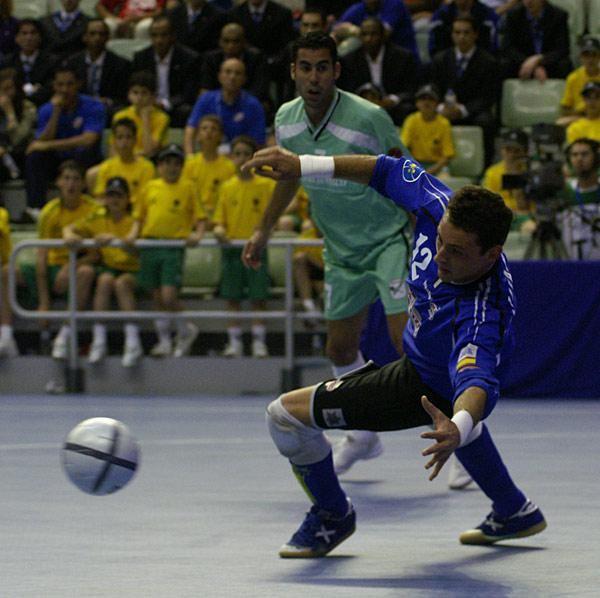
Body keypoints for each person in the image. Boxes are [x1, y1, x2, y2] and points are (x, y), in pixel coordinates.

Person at [243, 145, 547, 556]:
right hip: (426, 363)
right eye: (441, 241)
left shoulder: (480, 313)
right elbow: (385, 170)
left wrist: (457, 424)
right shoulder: (439, 204)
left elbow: (477, 380)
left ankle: (333, 516)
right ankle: (514, 510)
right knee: (459, 426)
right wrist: (302, 165)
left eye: (456, 251)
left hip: (422, 385)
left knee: (283, 417)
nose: (440, 256)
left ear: (491, 254)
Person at [242, 32, 411, 475]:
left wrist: (427, 241)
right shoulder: (287, 118)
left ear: (336, 71)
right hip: (339, 249)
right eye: (305, 67)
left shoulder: (369, 118)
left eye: (322, 67)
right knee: (339, 346)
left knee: (408, 344)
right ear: (293, 71)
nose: (313, 77)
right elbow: (288, 176)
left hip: (388, 240)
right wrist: (261, 231)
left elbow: (406, 175)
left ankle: (460, 437)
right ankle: (363, 434)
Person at [126, 143, 205, 357]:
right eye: (167, 163)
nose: (171, 167)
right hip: (150, 245)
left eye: (176, 163)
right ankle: (164, 341)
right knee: (157, 297)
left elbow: (200, 218)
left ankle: (186, 330)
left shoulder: (188, 187)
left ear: (181, 167)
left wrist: (198, 234)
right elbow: (139, 217)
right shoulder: (149, 187)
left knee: (169, 296)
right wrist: (134, 233)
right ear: (159, 166)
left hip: (173, 247)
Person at [64, 176, 144, 367]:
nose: (114, 200)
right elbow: (70, 227)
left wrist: (115, 238)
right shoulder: (98, 217)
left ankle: (133, 342)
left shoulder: (135, 220)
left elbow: (138, 250)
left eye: (119, 196)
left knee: (121, 283)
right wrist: (70, 235)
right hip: (111, 269)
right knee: (105, 279)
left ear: (127, 199)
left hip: (137, 271)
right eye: (111, 195)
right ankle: (99, 341)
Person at [25, 160, 99, 360]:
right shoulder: (49, 211)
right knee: (7, 273)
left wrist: (70, 266)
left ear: (84, 184)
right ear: (58, 182)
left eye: (76, 179)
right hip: (51, 267)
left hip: (81, 264)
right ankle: (6, 337)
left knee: (86, 273)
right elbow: (41, 256)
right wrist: (44, 303)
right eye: (66, 179)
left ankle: (64, 336)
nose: (71, 184)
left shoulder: (93, 210)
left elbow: (97, 254)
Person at [212, 135, 275, 358]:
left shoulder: (266, 185)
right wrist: (219, 230)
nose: (241, 159)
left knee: (258, 298)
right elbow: (219, 220)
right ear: (231, 157)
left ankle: (259, 342)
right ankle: (234, 343)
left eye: (246, 154)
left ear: (254, 157)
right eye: (237, 154)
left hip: (257, 248)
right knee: (232, 298)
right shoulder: (227, 187)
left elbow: (274, 216)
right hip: (231, 251)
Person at [24, 66, 106, 211]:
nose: (64, 89)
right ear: (54, 86)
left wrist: (49, 145)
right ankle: (35, 208)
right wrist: (56, 111)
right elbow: (42, 141)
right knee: (35, 156)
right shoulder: (46, 109)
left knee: (85, 151)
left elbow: (89, 139)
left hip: (82, 158)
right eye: (60, 85)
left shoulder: (93, 106)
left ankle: (83, 206)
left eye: (69, 84)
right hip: (57, 160)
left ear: (78, 84)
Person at [430, 15, 499, 166]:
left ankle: (485, 166)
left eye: (466, 33)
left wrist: (462, 110)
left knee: (486, 121)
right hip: (444, 109)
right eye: (457, 32)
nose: (462, 37)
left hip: (472, 112)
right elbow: (433, 88)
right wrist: (441, 107)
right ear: (452, 35)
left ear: (475, 34)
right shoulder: (440, 59)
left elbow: (488, 97)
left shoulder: (488, 62)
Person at [337, 17, 420, 125]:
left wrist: (393, 99)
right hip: (362, 107)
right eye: (365, 34)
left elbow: (412, 89)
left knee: (408, 109)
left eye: (373, 34)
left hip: (393, 108)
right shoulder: (350, 60)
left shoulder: (402, 57)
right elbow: (347, 91)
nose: (368, 39)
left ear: (383, 36)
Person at [184, 58, 266, 154]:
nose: (232, 77)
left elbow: (258, 142)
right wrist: (189, 159)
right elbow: (190, 131)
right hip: (209, 157)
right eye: (228, 72)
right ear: (220, 76)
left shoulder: (253, 105)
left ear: (244, 79)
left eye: (237, 73)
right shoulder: (206, 99)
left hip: (240, 159)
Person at [131, 15, 201, 126]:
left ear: (173, 36)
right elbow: (136, 86)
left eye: (164, 35)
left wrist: (164, 104)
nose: (159, 40)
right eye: (155, 36)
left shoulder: (189, 58)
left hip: (174, 106)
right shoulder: (141, 58)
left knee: (186, 111)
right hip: (146, 104)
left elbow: (189, 93)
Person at [63, 18, 131, 117]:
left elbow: (123, 97)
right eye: (92, 34)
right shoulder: (72, 63)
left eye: (101, 34)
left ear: (108, 38)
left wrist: (107, 101)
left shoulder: (121, 64)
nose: (97, 38)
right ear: (84, 37)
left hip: (107, 110)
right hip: (77, 107)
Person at [90, 117, 156, 208]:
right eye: (120, 137)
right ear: (114, 141)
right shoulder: (106, 167)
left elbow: (145, 199)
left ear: (135, 140)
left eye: (128, 137)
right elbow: (100, 198)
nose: (124, 142)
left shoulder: (147, 167)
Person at [198, 23, 269, 106]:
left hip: (249, 102)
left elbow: (260, 89)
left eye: (236, 41)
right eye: (226, 41)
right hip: (217, 103)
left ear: (244, 42)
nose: (231, 46)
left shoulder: (257, 58)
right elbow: (206, 88)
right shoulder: (211, 59)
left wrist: (235, 100)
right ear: (220, 42)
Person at [182, 114, 235, 222]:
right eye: (204, 128)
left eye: (214, 129)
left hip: (220, 219)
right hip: (193, 219)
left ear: (220, 136)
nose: (209, 132)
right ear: (197, 136)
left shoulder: (230, 167)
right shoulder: (189, 164)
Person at [500, 0, 571, 80]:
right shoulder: (513, 15)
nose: (529, 2)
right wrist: (529, 64)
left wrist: (538, 60)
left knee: (564, 65)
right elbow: (507, 47)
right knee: (504, 65)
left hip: (548, 61)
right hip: (522, 61)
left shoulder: (559, 15)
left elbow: (562, 49)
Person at [482, 128, 534, 232]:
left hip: (523, 217)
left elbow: (522, 206)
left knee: (531, 227)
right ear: (502, 150)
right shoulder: (492, 172)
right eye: (508, 149)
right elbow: (488, 205)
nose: (511, 154)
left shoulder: (530, 172)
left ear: (525, 152)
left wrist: (514, 173)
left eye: (516, 150)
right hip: (500, 217)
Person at [110, 70, 169, 158]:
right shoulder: (119, 116)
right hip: (123, 161)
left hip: (148, 163)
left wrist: (145, 118)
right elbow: (112, 150)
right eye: (135, 92)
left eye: (144, 93)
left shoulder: (162, 118)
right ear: (129, 95)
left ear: (153, 96)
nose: (139, 98)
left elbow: (150, 152)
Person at [558, 138, 600, 260]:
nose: (579, 159)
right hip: (573, 262)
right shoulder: (564, 191)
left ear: (597, 158)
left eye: (585, 154)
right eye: (574, 155)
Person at [401, 84, 455, 175]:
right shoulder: (411, 120)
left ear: (437, 103)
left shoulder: (444, 123)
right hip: (415, 164)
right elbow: (403, 148)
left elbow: (447, 156)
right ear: (417, 103)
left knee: (445, 181)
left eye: (431, 99)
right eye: (423, 99)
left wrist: (428, 172)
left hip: (437, 166)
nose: (426, 102)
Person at [337, 0, 419, 60]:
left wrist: (353, 30)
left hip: (403, 62)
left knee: (354, 43)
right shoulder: (359, 8)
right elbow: (338, 29)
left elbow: (382, 34)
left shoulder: (395, 4)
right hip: (374, 63)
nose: (368, 38)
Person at [3, 19, 57, 108]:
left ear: (40, 37)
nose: (29, 38)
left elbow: (51, 86)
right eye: (24, 33)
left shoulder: (52, 61)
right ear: (16, 38)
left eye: (33, 33)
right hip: (13, 107)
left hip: (43, 105)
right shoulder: (7, 62)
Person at [0, 67, 37, 183]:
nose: (4, 94)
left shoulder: (28, 108)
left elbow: (17, 140)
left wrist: (10, 113)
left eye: (8, 89)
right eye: (1, 89)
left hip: (20, 155)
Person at [428, 0, 499, 58]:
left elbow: (492, 49)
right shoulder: (440, 15)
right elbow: (434, 49)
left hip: (482, 65)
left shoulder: (487, 15)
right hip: (446, 66)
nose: (462, 37)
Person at [558, 37, 600, 128]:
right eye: (586, 55)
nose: (590, 59)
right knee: (560, 122)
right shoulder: (573, 78)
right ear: (581, 57)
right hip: (580, 116)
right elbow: (564, 109)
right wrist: (582, 109)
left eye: (594, 55)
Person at [95, 0, 167, 39]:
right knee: (109, 24)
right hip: (123, 20)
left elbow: (159, 11)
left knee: (144, 27)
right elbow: (99, 6)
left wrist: (138, 18)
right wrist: (114, 19)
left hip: (146, 19)